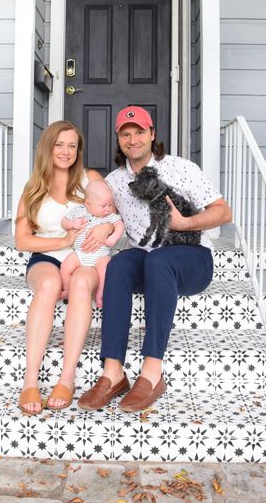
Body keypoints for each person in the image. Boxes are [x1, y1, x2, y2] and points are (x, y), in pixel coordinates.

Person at [78, 106, 232, 413]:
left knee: (159, 260)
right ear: (118, 139)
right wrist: (108, 224)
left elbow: (223, 211)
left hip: (191, 258)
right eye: (126, 133)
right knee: (120, 264)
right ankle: (113, 373)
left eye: (139, 132)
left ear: (152, 135)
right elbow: (101, 210)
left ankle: (151, 373)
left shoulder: (182, 168)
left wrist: (185, 224)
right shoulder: (115, 181)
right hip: (146, 258)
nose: (132, 139)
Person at [15, 121, 113, 415]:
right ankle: (30, 379)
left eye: (72, 145)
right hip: (46, 256)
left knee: (82, 283)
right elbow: (22, 240)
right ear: (48, 147)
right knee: (48, 284)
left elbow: (111, 212)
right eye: (59, 144)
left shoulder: (89, 179)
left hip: (85, 257)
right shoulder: (33, 187)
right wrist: (62, 239)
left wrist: (107, 225)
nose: (66, 151)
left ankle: (67, 378)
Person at [60, 180, 125, 308]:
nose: (108, 209)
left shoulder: (109, 216)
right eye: (103, 206)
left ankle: (100, 293)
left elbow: (120, 225)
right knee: (65, 267)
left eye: (110, 205)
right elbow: (64, 221)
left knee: (105, 271)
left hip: (100, 255)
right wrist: (72, 224)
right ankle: (67, 288)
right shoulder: (78, 211)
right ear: (88, 205)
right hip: (80, 254)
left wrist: (113, 238)